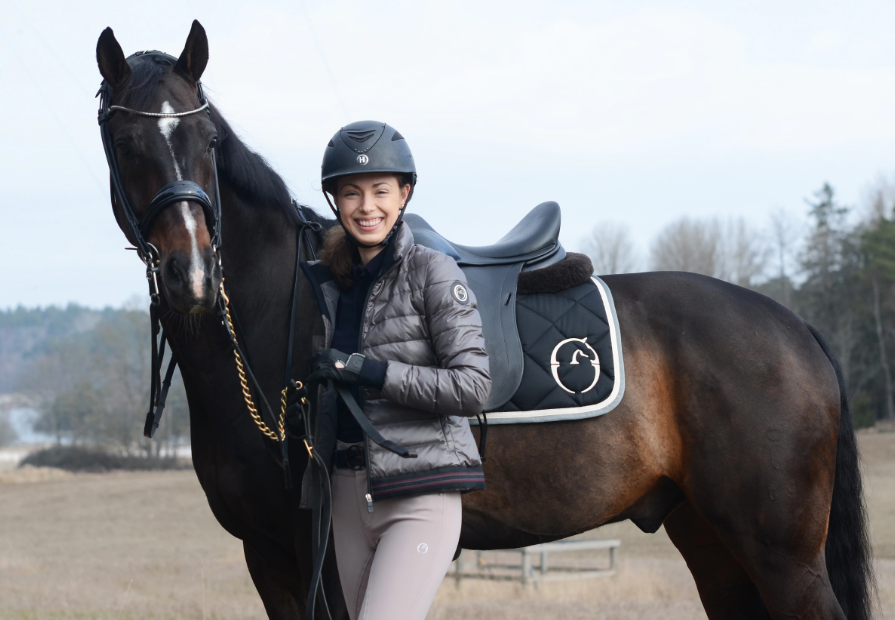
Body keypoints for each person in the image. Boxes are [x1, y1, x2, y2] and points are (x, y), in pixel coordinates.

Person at [299, 120, 490, 620]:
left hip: (419, 494)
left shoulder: (433, 271)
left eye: (381, 191)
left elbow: (472, 388)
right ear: (335, 201)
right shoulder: (325, 284)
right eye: (352, 193)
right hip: (345, 494)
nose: (367, 207)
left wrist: (372, 372)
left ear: (404, 194)